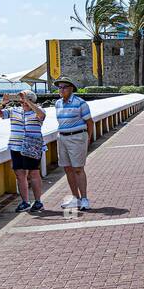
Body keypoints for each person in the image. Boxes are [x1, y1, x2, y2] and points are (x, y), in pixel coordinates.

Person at [0, 90, 46, 212]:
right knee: (20, 174)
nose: (22, 102)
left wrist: (28, 101)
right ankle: (25, 202)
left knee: (34, 173)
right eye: (21, 99)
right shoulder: (14, 111)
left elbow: (41, 115)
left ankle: (38, 201)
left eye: (25, 99)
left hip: (32, 146)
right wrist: (2, 103)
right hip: (16, 146)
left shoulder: (37, 110)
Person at [53, 78, 93, 210]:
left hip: (77, 137)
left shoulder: (80, 103)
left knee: (78, 169)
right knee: (67, 168)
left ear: (71, 88)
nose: (61, 89)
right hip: (62, 138)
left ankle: (85, 198)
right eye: (59, 87)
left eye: (64, 87)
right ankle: (75, 198)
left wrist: (88, 139)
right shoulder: (58, 103)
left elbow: (89, 122)